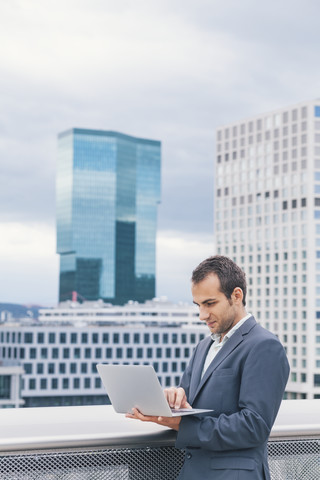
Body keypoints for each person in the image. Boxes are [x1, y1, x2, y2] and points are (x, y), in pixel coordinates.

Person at [126, 255, 290, 480]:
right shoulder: (204, 346)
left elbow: (254, 427)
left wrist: (182, 424)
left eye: (210, 303)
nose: (202, 315)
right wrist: (174, 401)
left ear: (236, 295)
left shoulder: (264, 346)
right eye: (198, 305)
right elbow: (192, 406)